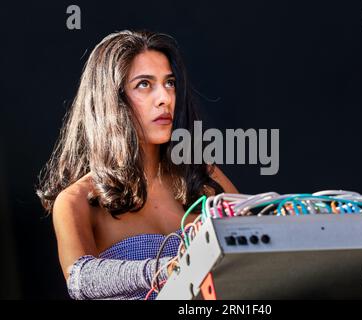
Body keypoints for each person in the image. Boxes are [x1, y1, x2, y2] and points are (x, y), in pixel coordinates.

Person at [36, 30, 238, 300]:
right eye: (144, 84)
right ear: (111, 99)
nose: (165, 98)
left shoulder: (203, 176)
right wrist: (163, 270)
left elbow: (259, 242)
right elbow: (81, 279)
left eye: (170, 83)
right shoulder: (76, 201)